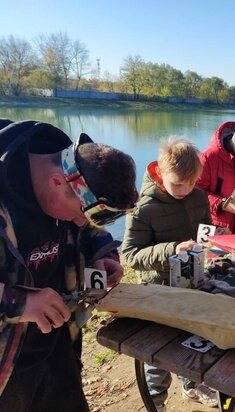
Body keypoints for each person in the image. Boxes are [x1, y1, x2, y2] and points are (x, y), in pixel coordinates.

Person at [0, 119, 138, 411]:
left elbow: (87, 227)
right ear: (56, 182)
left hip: (56, 346)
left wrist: (103, 253)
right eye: (80, 213)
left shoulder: (71, 181)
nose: (80, 223)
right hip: (6, 366)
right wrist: (18, 302)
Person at [121, 138, 218, 410]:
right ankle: (156, 401)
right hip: (158, 291)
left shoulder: (198, 197)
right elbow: (130, 256)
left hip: (192, 283)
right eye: (177, 183)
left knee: (190, 342)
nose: (185, 190)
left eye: (191, 183)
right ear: (160, 173)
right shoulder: (142, 207)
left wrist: (211, 244)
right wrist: (171, 249)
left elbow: (206, 231)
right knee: (157, 353)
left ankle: (191, 386)